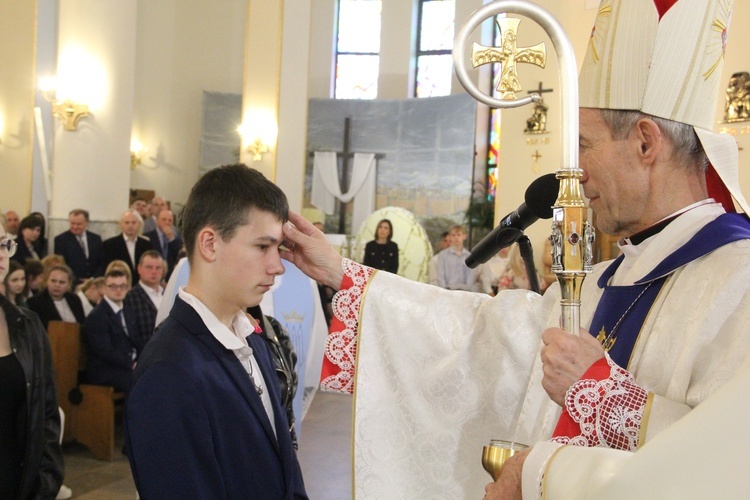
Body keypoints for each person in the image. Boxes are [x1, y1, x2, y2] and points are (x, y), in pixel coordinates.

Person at [279, 1, 750, 496]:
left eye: (584, 145)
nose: (575, 171)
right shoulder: (601, 283)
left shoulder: (736, 283)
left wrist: (600, 395)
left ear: (646, 144)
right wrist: (345, 275)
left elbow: (728, 461)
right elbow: (480, 338)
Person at [125, 164, 307, 499]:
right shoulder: (169, 373)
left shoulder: (253, 337)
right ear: (209, 244)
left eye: (277, 248)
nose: (278, 266)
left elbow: (285, 468)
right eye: (262, 246)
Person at [0, 223, 64, 499]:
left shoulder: (27, 325)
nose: (1, 254)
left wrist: (46, 484)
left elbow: (47, 413)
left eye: (3, 244)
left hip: (16, 482)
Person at [84, 268, 137, 393]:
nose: (118, 290)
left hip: (126, 367)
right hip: (105, 370)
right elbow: (105, 351)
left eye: (122, 286)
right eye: (113, 286)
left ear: (128, 288)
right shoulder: (97, 316)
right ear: (104, 288)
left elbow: (137, 340)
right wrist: (131, 363)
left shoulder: (128, 311)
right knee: (141, 381)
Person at [123, 250, 164, 350]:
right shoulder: (130, 297)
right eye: (149, 267)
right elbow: (133, 334)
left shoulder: (168, 293)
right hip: (146, 355)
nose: (154, 271)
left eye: (158, 268)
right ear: (139, 269)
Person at [27, 265, 86, 330]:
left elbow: (82, 325)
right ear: (47, 281)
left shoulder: (74, 299)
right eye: (53, 281)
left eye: (62, 282)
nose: (57, 285)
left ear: (69, 284)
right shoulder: (35, 302)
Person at [98, 209, 151, 282]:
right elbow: (106, 268)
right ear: (121, 225)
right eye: (127, 223)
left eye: (133, 223)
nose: (130, 226)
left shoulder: (146, 244)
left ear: (138, 224)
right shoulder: (110, 244)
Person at [53, 209, 103, 284]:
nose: (75, 227)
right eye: (72, 223)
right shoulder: (61, 240)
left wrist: (93, 279)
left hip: (94, 283)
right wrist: (77, 280)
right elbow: (62, 265)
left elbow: (101, 262)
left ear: (86, 223)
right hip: (72, 283)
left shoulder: (96, 239)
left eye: (79, 224)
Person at [143, 209, 183, 279]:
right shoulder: (147, 237)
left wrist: (171, 239)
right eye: (164, 220)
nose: (167, 222)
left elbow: (179, 256)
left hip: (171, 277)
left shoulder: (177, 239)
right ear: (157, 221)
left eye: (170, 220)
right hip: (152, 276)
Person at [436, 224, 477, 290]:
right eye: (453, 235)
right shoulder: (442, 255)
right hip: (447, 291)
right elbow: (440, 277)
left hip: (464, 293)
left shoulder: (469, 256)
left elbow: (470, 279)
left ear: (464, 236)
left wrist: (463, 289)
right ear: (449, 237)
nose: (456, 237)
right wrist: (445, 290)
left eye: (458, 235)